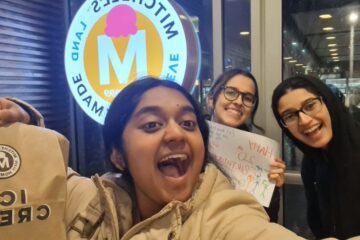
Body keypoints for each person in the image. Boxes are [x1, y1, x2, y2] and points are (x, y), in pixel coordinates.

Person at [0, 77, 304, 239]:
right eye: (151, 125)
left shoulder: (222, 217)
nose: (176, 134)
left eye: (187, 123)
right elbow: (41, 176)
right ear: (117, 155)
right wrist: (19, 126)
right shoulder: (90, 199)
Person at [271, 74, 360, 239]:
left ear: (327, 101)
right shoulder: (311, 164)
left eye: (310, 105)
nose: (303, 120)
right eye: (290, 116)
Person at [206, 68, 285, 222]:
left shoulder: (259, 153)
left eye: (248, 98)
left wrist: (272, 188)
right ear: (211, 99)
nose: (238, 101)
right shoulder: (191, 143)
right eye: (230, 92)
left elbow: (267, 219)